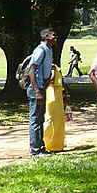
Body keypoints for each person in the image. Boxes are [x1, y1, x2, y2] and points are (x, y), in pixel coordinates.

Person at [28, 27, 56, 157]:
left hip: (42, 87)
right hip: (36, 89)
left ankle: (41, 147)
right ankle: (35, 150)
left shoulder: (49, 50)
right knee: (35, 119)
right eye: (53, 35)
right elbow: (32, 71)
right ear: (46, 36)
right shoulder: (40, 50)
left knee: (40, 119)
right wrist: (37, 91)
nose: (56, 38)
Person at [44, 61, 72, 152]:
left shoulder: (52, 67)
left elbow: (52, 79)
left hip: (55, 94)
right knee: (54, 119)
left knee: (54, 119)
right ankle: (52, 144)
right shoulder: (54, 67)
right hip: (54, 94)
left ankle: (54, 144)